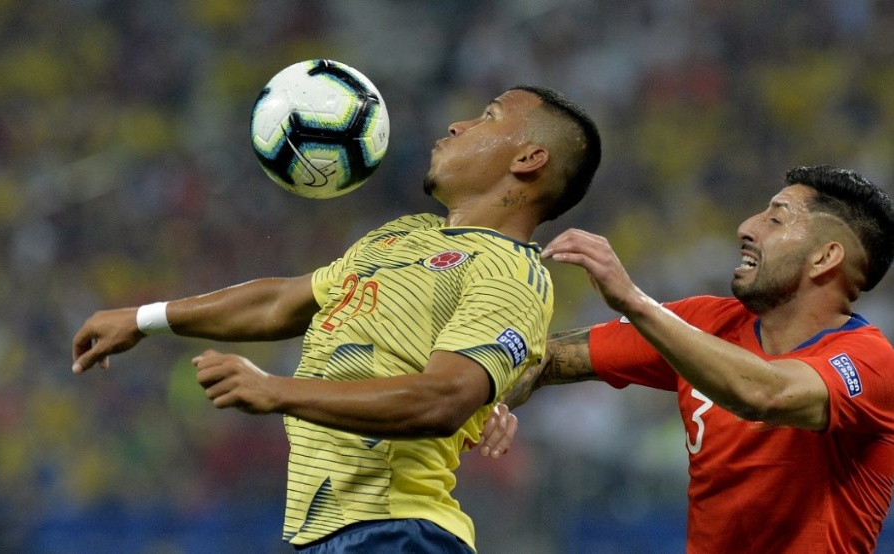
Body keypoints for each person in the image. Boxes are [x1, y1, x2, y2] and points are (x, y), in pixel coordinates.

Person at [71, 85, 602, 553]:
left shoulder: (511, 273)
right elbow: (282, 302)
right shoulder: (404, 235)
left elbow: (444, 399)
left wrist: (276, 391)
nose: (457, 125)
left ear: (530, 158)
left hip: (399, 531)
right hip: (330, 534)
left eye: (488, 117)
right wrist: (145, 318)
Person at [479, 165, 894, 553]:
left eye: (775, 219)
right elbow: (545, 357)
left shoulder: (870, 361)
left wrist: (633, 301)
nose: (746, 227)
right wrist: (486, 397)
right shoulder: (704, 323)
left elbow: (765, 393)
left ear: (824, 258)